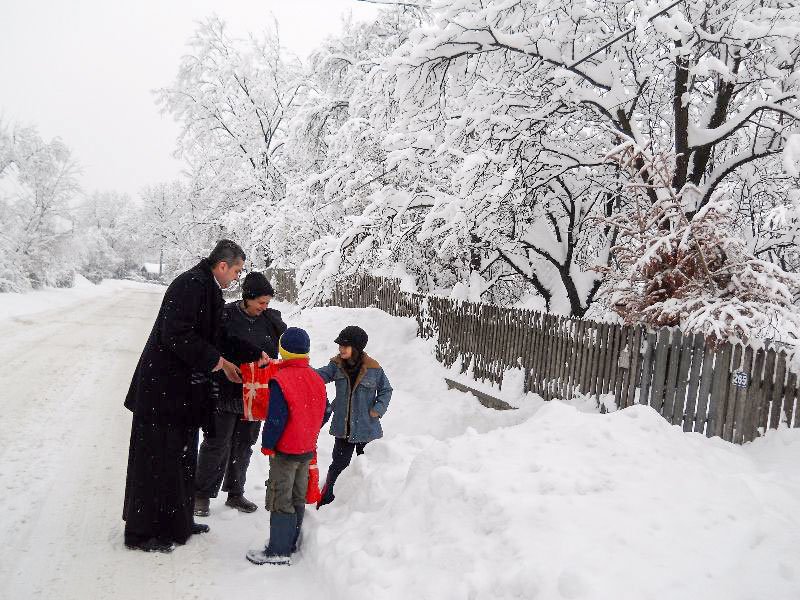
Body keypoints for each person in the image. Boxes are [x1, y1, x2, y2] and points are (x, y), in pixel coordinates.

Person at [123, 240, 261, 554]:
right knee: (157, 462)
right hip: (161, 392)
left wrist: (251, 355)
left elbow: (217, 336)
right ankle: (143, 533)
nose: (237, 278)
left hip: (182, 393)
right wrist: (218, 362)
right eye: (236, 270)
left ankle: (178, 521)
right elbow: (176, 335)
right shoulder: (191, 285)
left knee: (182, 459)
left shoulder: (208, 288)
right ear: (222, 265)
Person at [194, 272, 287, 517]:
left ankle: (235, 493)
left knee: (244, 445)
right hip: (226, 390)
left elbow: (283, 349)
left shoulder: (271, 321)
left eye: (267, 303)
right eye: (260, 302)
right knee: (217, 443)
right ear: (247, 297)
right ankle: (201, 494)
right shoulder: (225, 316)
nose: (264, 307)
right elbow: (217, 347)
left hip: (255, 394)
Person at [246, 327, 327, 566]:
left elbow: (276, 418)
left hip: (285, 451)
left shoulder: (281, 379)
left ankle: (278, 551)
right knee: (297, 495)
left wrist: (268, 444)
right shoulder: (316, 378)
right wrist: (309, 428)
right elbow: (326, 410)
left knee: (281, 497)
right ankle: (290, 542)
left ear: (282, 351)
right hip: (306, 449)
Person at [315, 325, 392, 508]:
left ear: (356, 348)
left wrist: (378, 408)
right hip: (344, 428)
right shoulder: (336, 365)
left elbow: (386, 390)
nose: (341, 349)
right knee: (338, 465)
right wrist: (301, 371)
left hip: (367, 428)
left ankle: (365, 503)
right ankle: (328, 497)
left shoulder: (374, 368)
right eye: (340, 345)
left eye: (345, 346)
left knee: (367, 467)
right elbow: (320, 376)